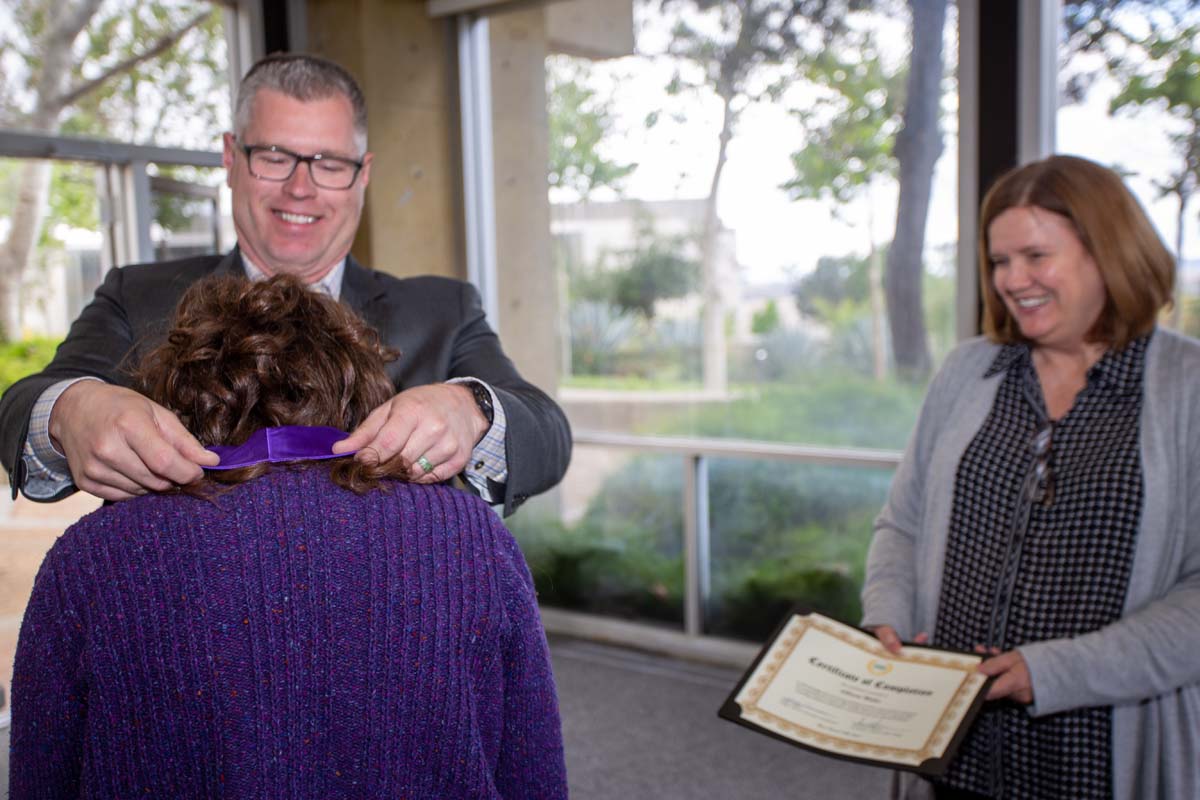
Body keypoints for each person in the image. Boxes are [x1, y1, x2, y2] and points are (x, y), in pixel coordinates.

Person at [9, 274, 569, 799]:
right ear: (365, 388)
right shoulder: (473, 539)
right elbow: (531, 766)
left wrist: (471, 406)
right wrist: (69, 406)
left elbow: (43, 773)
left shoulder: (89, 557)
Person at [0, 52, 570, 517]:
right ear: (231, 158)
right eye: (274, 157)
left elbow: (547, 433)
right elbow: (20, 407)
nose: (301, 188)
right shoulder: (136, 297)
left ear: (363, 175)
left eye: (330, 163)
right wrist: (70, 411)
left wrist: (471, 410)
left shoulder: (443, 310)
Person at [861, 155, 1200, 799]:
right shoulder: (966, 372)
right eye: (1000, 261)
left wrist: (1051, 671)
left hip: (1096, 762)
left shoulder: (1189, 389)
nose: (1013, 281)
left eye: (1036, 256)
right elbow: (902, 525)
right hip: (951, 755)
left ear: (1109, 254)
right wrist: (888, 618)